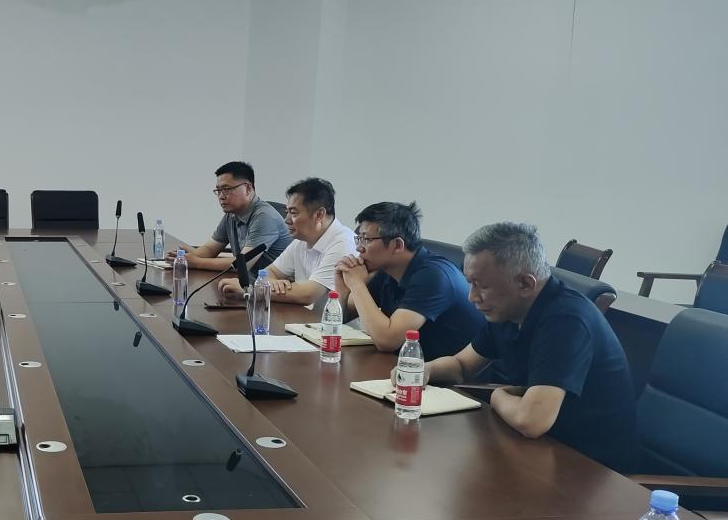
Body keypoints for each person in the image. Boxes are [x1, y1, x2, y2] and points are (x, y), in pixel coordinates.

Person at [414, 222, 638, 472]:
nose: (472, 297)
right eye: (470, 283)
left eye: (482, 286)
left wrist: (498, 396)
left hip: (591, 469)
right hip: (542, 450)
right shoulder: (507, 310)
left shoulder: (566, 321)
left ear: (525, 284)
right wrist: (423, 370)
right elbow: (461, 365)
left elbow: (531, 421)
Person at [334, 202, 483, 359]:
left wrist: (357, 284)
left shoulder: (434, 276)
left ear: (397, 245)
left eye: (366, 239)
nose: (359, 248)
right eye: (359, 238)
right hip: (414, 365)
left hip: (464, 373)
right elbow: (341, 318)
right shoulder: (387, 270)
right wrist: (343, 290)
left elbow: (387, 341)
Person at [217, 178, 355, 305]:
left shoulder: (343, 243)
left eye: (293, 213)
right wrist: (271, 284)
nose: (286, 220)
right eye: (287, 212)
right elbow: (269, 273)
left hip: (330, 322)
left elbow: (309, 294)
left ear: (319, 214)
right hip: (303, 317)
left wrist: (250, 290)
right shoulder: (301, 240)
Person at [174, 161, 293, 271]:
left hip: (271, 283)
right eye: (218, 191)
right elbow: (210, 249)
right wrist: (184, 256)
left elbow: (243, 264)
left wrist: (196, 262)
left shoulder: (264, 216)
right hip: (247, 281)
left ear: (247, 188)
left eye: (226, 189)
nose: (221, 196)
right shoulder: (231, 215)